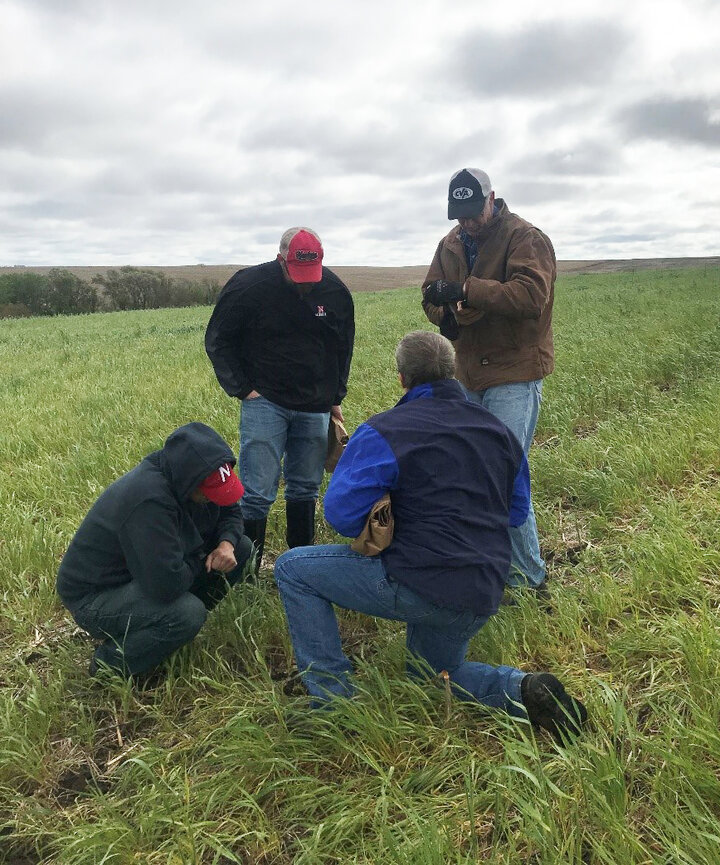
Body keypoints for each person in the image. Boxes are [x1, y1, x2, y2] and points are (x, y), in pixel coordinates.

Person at [274, 332, 586, 742]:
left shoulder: (384, 431)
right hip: (481, 592)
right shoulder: (498, 431)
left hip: (419, 581)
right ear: (454, 370)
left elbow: (341, 515)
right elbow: (514, 512)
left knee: (293, 569)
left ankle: (333, 706)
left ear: (402, 379)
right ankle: (522, 689)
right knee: (433, 675)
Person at [421, 168, 556, 594]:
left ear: (492, 199)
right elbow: (430, 292)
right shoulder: (450, 243)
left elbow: (531, 296)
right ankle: (486, 565)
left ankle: (527, 578)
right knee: (472, 471)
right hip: (468, 371)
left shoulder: (525, 237)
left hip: (515, 368)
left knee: (502, 471)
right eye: (458, 216)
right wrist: (444, 314)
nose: (467, 223)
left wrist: (465, 289)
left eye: (473, 213)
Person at [205, 227, 355, 567]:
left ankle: (299, 566)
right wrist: (244, 390)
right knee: (257, 493)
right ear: (280, 259)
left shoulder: (335, 292)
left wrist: (335, 396)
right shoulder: (247, 287)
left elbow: (342, 347)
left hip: (315, 405)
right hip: (265, 402)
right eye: (298, 274)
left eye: (312, 275)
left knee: (305, 488)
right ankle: (249, 571)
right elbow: (218, 339)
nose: (306, 283)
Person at [57, 422, 253, 678]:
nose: (212, 498)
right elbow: (166, 584)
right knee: (187, 613)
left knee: (241, 547)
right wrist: (204, 558)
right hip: (95, 596)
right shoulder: (149, 502)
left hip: (145, 575)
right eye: (208, 492)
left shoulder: (192, 477)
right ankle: (109, 666)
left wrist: (226, 542)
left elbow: (231, 510)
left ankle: (163, 636)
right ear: (188, 481)